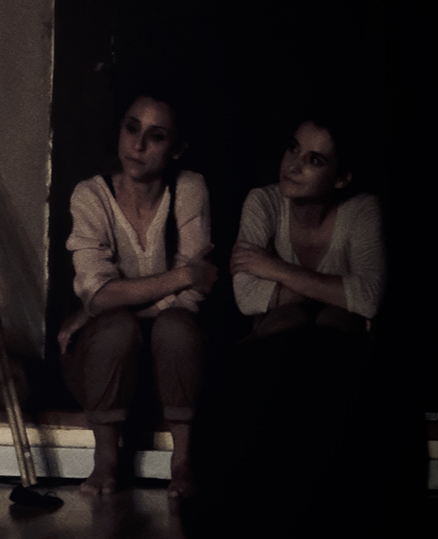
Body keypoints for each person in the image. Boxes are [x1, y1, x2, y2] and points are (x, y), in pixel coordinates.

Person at [57, 92, 217, 499]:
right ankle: (106, 459)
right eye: (132, 128)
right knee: (115, 329)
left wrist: (104, 304)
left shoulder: (189, 188)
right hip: (105, 366)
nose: (138, 144)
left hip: (171, 372)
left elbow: (193, 297)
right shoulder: (91, 196)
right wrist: (181, 275)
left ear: (177, 148)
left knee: (176, 327)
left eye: (156, 136)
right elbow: (98, 293)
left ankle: (183, 462)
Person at [230, 116, 384, 336]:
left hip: (340, 339)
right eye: (293, 148)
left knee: (336, 321)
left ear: (341, 178)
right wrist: (337, 294)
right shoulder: (263, 201)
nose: (292, 166)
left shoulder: (361, 209)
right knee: (287, 320)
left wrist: (275, 268)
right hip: (275, 340)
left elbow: (368, 299)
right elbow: (246, 297)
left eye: (314, 160)